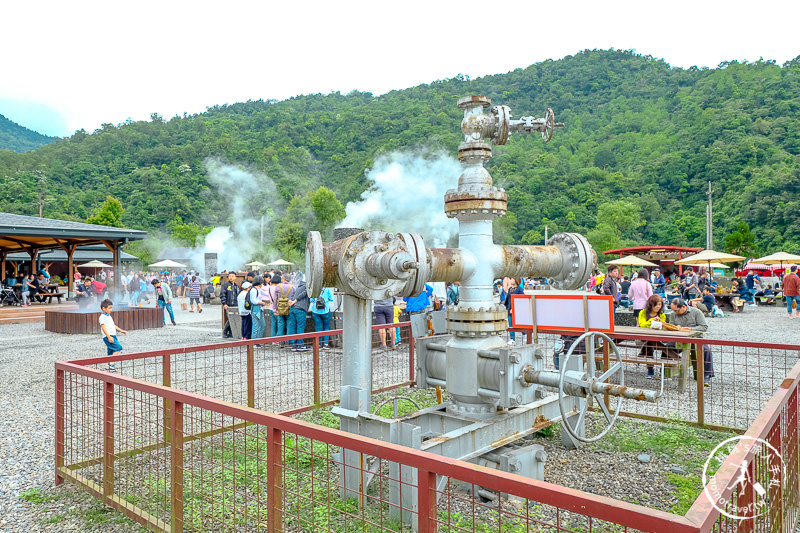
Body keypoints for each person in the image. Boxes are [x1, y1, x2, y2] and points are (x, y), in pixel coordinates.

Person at [669, 298, 714, 386]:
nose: (675, 312)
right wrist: (674, 328)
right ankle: (666, 371)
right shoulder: (672, 314)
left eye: (676, 310)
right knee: (667, 347)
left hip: (696, 338)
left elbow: (704, 327)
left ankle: (706, 375)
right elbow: (671, 326)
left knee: (705, 350)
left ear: (683, 307)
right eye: (673, 310)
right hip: (679, 339)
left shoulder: (696, 312)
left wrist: (691, 329)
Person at [637, 294, 668, 378]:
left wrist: (661, 323)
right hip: (642, 337)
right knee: (649, 345)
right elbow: (642, 324)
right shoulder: (643, 312)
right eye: (656, 304)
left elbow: (662, 327)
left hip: (657, 337)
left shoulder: (662, 315)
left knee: (660, 346)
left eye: (660, 305)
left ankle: (643, 356)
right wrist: (651, 320)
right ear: (651, 304)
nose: (658, 307)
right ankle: (650, 369)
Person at [99, 298, 128, 372]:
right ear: (103, 308)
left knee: (111, 351)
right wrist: (108, 337)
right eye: (109, 308)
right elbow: (103, 327)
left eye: (111, 308)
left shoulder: (108, 316)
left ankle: (107, 366)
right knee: (118, 347)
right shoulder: (102, 317)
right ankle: (111, 364)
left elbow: (113, 325)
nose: (111, 310)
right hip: (108, 336)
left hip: (113, 335)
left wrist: (121, 330)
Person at [288, 273, 309, 351]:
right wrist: (295, 300)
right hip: (300, 309)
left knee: (293, 326)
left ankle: (293, 345)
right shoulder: (306, 287)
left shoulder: (298, 287)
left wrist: (291, 300)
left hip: (293, 309)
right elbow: (304, 294)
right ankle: (300, 345)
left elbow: (292, 295)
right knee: (300, 326)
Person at [270, 274, 295, 339]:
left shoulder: (278, 286)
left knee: (281, 324)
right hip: (289, 308)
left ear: (283, 279)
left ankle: (280, 340)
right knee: (289, 324)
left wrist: (275, 309)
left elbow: (275, 299)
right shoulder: (292, 287)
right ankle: (289, 340)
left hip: (280, 308)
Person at [504, 277, 525, 345]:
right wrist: (506, 307)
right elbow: (508, 299)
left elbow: (521, 300)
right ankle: (512, 339)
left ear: (516, 280)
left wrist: (515, 308)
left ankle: (525, 335)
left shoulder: (520, 289)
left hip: (517, 310)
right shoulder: (510, 289)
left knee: (520, 323)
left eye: (512, 279)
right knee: (510, 324)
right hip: (509, 309)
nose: (510, 280)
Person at [219, 272, 240, 338]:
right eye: (230, 276)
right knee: (230, 319)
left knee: (234, 319)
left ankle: (231, 333)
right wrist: (224, 303)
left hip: (236, 304)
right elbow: (222, 295)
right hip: (228, 305)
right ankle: (225, 331)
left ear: (235, 277)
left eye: (233, 276)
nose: (231, 277)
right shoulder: (225, 285)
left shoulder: (236, 286)